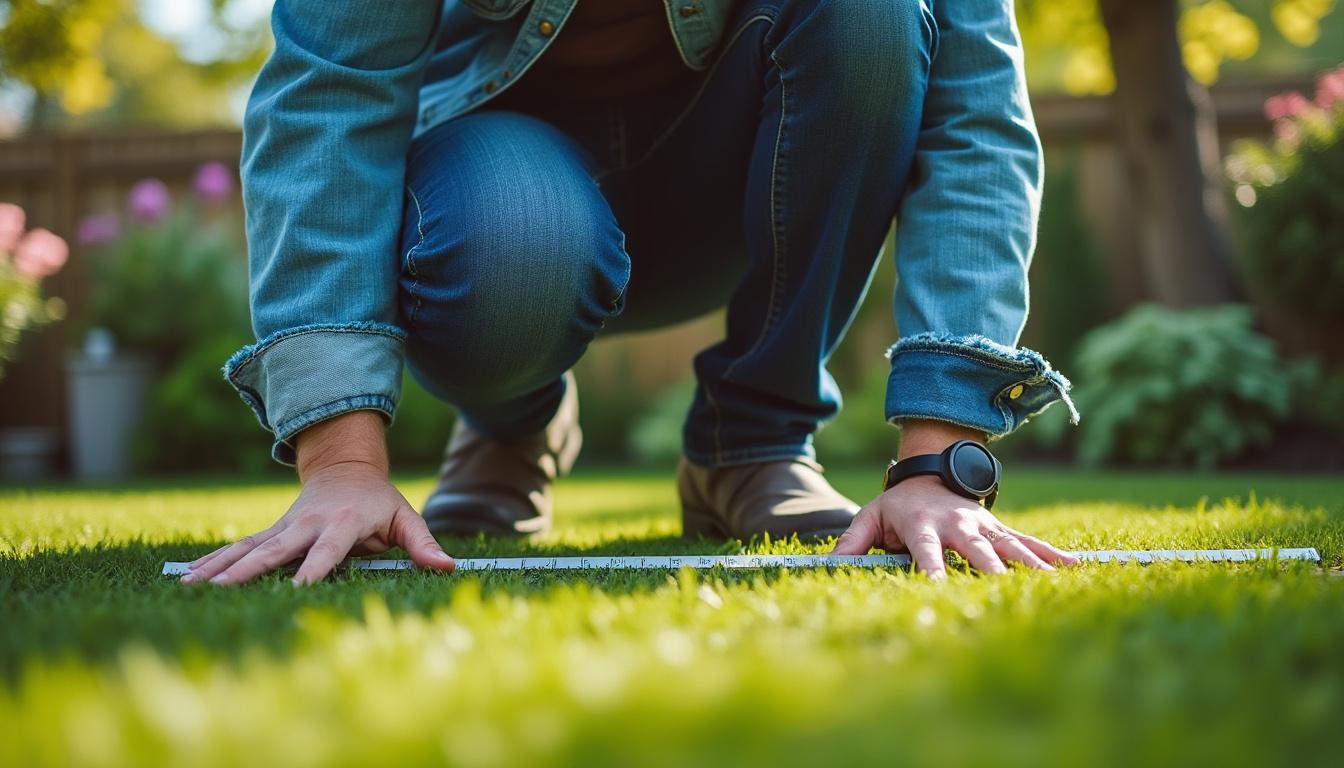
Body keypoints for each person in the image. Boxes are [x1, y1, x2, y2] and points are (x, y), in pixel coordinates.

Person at [182, 0, 1080, 586]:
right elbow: (329, 94)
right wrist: (340, 462)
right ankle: (511, 424)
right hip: (498, 202)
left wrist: (938, 461)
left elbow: (975, 111)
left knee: (875, 15)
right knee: (515, 243)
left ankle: (750, 440)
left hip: (734, 179)